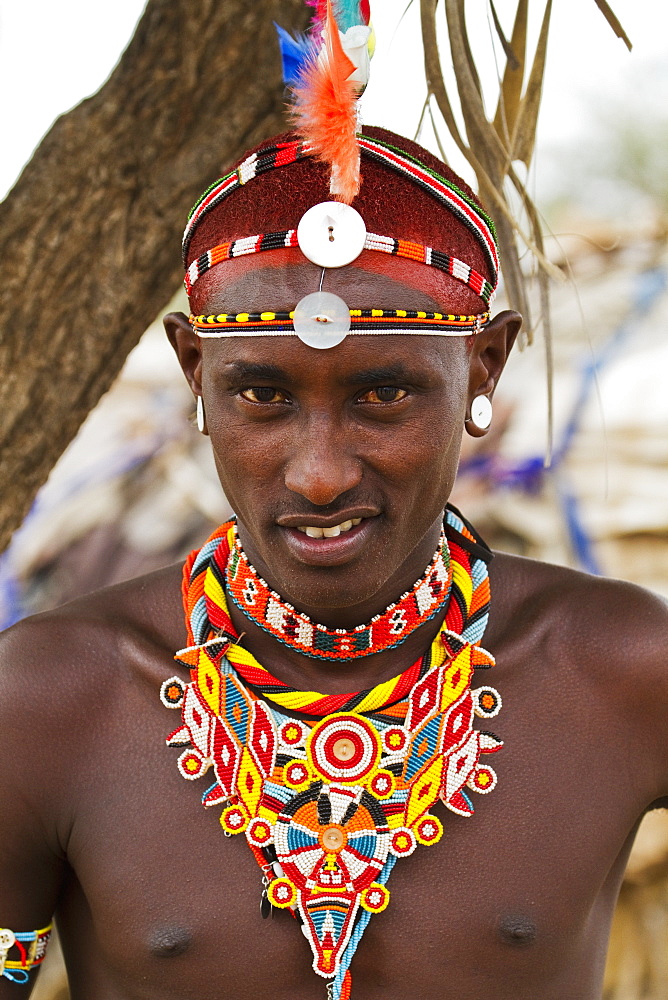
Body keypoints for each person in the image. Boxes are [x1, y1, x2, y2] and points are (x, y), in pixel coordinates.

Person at [1, 11, 667, 1000]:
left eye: (384, 394)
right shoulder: (48, 699)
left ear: (482, 363)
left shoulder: (616, 671)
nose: (317, 474)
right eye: (261, 395)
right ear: (194, 371)